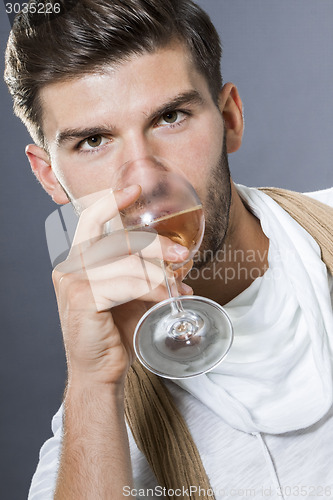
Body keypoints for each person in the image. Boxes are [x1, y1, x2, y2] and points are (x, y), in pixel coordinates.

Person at [4, 0, 333, 498]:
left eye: (171, 117)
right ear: (50, 176)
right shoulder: (98, 434)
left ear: (229, 118)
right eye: (94, 141)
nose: (146, 178)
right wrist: (93, 388)